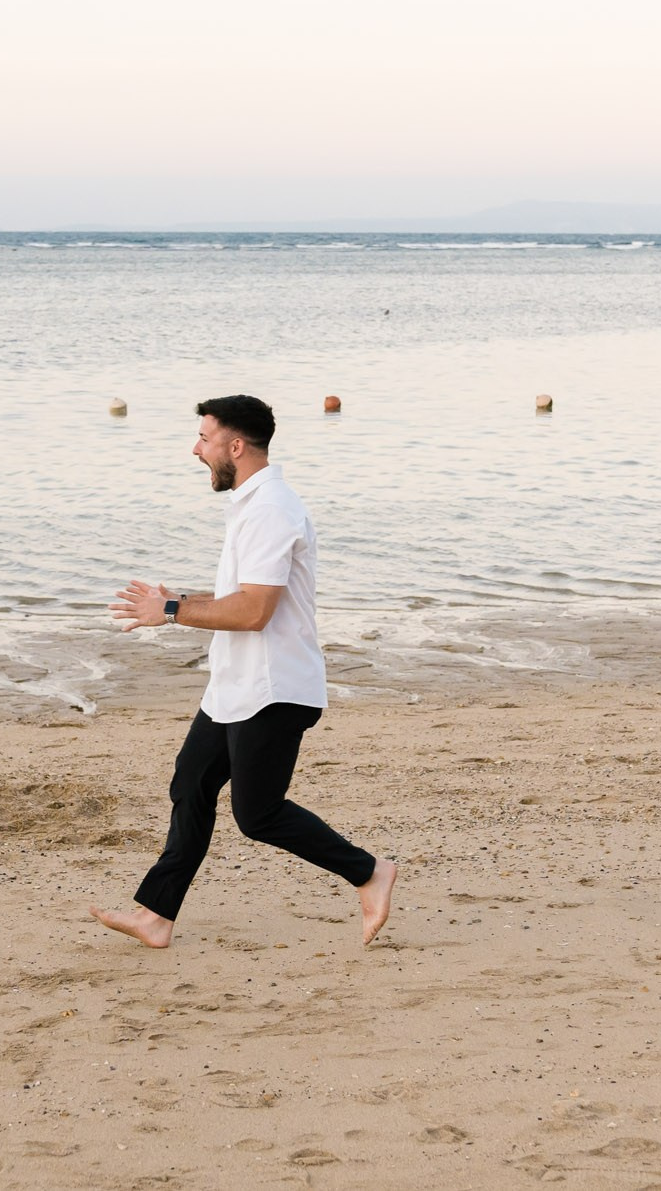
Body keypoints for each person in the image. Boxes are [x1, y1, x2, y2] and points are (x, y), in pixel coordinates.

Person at [92, 394, 398, 949]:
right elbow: (244, 596)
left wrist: (169, 612)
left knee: (258, 816)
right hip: (236, 684)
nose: (196, 449)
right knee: (191, 784)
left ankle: (370, 872)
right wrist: (179, 596)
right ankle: (155, 916)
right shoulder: (253, 504)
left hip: (274, 688)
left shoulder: (270, 509)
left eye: (205, 438)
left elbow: (255, 611)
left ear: (235, 445)